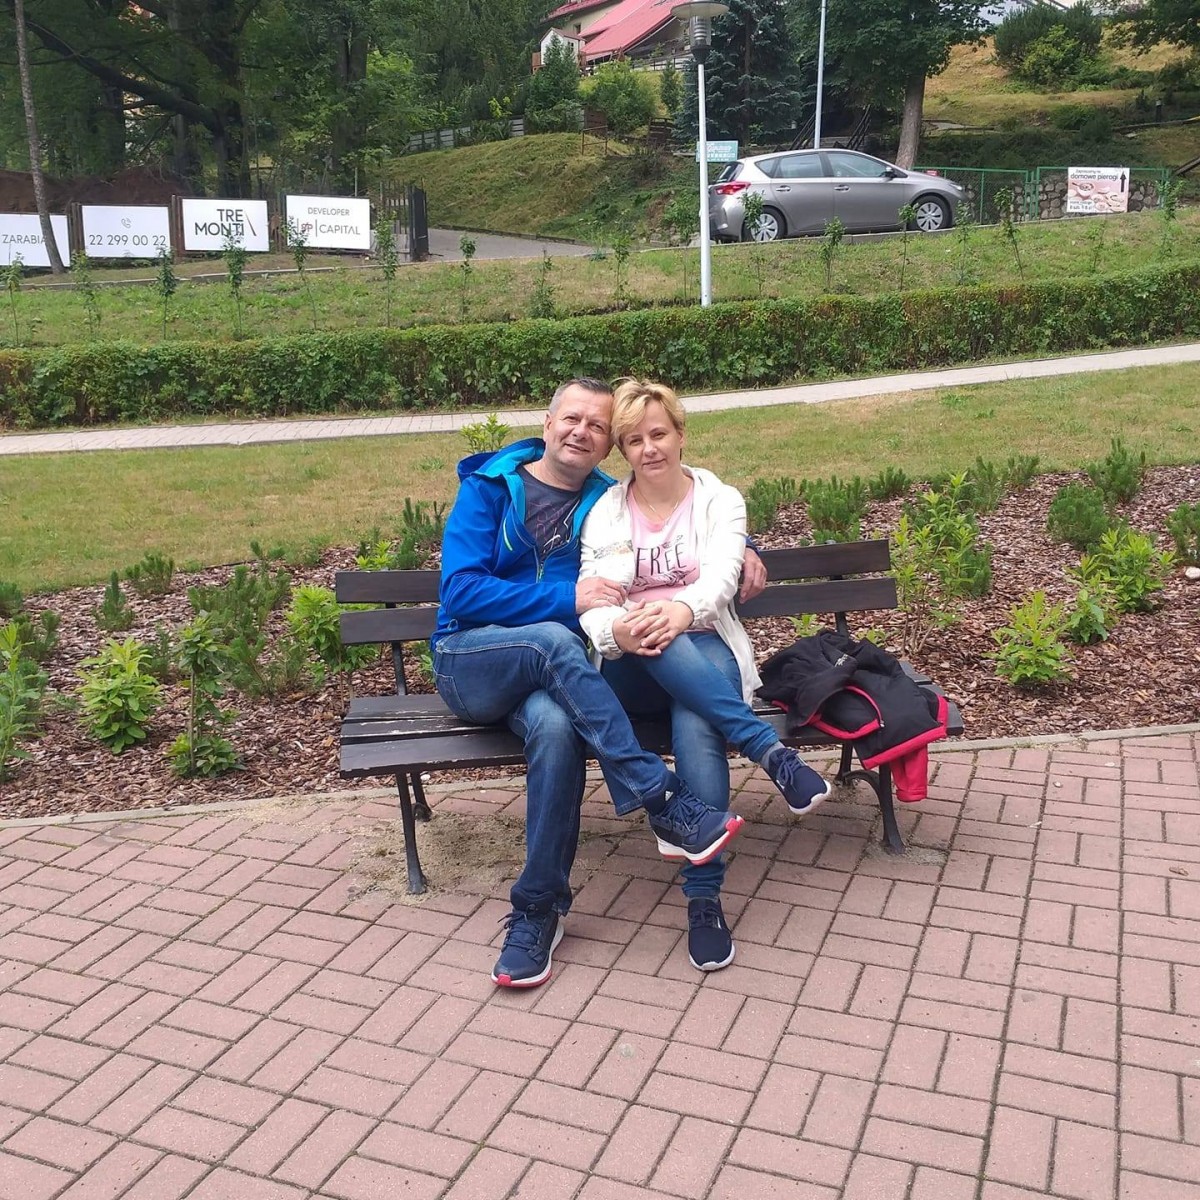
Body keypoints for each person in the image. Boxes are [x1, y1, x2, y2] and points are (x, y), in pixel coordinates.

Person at [432, 377, 755, 990]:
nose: (581, 431)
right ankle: (659, 795)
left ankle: (537, 910)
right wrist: (567, 597)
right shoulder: (489, 488)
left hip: (547, 682)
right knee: (552, 640)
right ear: (547, 423)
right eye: (571, 418)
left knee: (557, 728)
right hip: (470, 660)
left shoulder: (602, 500)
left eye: (597, 426)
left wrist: (749, 547)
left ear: (608, 444)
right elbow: (460, 591)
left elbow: (670, 501)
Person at [578, 378, 832, 972]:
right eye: (634, 440)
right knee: (654, 639)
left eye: (659, 434)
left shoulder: (721, 500)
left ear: (680, 434)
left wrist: (679, 612)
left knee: (695, 718)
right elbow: (594, 596)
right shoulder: (606, 512)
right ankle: (771, 754)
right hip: (628, 664)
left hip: (704, 644)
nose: (649, 448)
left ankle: (703, 900)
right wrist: (622, 630)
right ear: (623, 450)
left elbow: (720, 580)